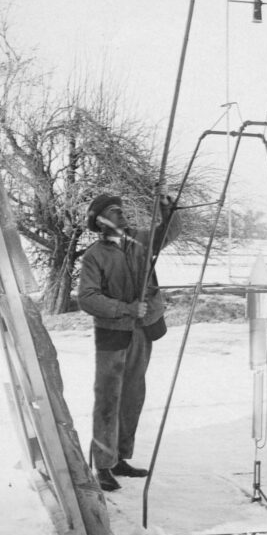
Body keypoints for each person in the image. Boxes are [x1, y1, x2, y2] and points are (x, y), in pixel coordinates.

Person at [77, 190, 181, 492]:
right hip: (112, 334)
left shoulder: (139, 241)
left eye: (121, 210)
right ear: (100, 221)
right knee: (109, 399)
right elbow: (87, 298)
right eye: (114, 211)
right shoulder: (94, 256)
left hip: (142, 330)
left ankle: (121, 457)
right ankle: (103, 465)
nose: (122, 214)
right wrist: (124, 309)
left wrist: (168, 209)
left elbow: (167, 233)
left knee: (133, 397)